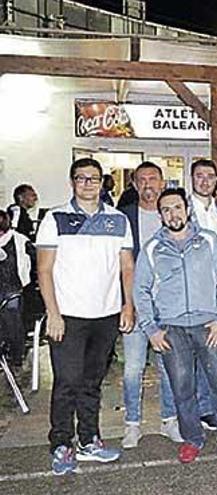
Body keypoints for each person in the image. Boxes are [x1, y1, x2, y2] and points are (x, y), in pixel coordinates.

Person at [133, 188, 217, 467]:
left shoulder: (210, 241)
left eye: (177, 207)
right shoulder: (153, 248)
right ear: (160, 214)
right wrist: (151, 329)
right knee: (182, 387)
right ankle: (192, 439)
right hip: (172, 330)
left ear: (187, 209)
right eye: (166, 210)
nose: (172, 214)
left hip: (209, 326)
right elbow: (140, 291)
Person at [36, 158, 134, 475]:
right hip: (68, 316)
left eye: (94, 179)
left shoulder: (118, 219)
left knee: (92, 383)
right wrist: (53, 313)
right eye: (82, 178)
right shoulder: (55, 218)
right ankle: (62, 444)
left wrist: (128, 305)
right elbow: (44, 269)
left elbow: (127, 267)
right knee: (67, 383)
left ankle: (89, 440)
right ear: (72, 182)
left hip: (105, 316)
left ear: (103, 182)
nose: (88, 184)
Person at [119, 162, 190, 448]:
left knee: (168, 367)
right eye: (142, 180)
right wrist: (128, 303)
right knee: (133, 368)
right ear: (134, 185)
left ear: (163, 184)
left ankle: (169, 421)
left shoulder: (174, 215)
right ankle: (132, 424)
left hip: (168, 309)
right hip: (136, 306)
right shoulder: (123, 218)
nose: (148, 184)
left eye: (153, 179)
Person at [0, 210, 32, 370]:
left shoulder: (20, 241)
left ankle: (16, 355)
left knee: (11, 312)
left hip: (14, 289)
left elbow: (34, 265)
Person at [190, 159, 217, 236]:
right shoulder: (182, 210)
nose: (205, 182)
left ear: (216, 179)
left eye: (210, 177)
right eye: (200, 177)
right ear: (192, 178)